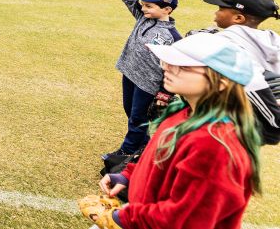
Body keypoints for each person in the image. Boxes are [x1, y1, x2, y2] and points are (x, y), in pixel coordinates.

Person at [80, 32, 262, 229]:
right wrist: (129, 175)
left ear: (222, 82)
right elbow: (158, 157)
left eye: (182, 66)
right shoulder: (186, 112)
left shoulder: (214, 144)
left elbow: (187, 219)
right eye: (168, 61)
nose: (166, 67)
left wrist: (119, 219)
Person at [104, 0, 182, 160]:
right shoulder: (142, 17)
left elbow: (175, 66)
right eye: (143, 5)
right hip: (130, 73)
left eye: (149, 6)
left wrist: (165, 93)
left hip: (148, 83)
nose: (144, 8)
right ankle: (144, 145)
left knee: (138, 117)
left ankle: (127, 151)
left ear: (167, 9)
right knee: (130, 110)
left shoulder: (173, 37)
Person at [201, 0, 280, 145]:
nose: (216, 13)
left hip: (233, 125)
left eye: (221, 9)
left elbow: (253, 83)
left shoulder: (224, 41)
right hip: (257, 126)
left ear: (238, 18)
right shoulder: (272, 39)